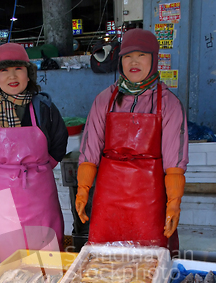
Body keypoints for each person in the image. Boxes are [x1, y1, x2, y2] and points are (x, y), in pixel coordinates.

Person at [75, 28, 188, 253]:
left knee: (148, 260)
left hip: (149, 197)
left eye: (142, 55)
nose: (133, 61)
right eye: (127, 56)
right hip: (109, 195)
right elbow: (90, 150)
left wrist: (174, 202)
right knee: (105, 257)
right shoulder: (104, 99)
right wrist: (82, 189)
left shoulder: (168, 103)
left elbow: (175, 161)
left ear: (154, 59)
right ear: (120, 60)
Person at [0, 43, 68, 262]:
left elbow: (59, 140)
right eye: (4, 70)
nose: (12, 76)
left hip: (39, 191)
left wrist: (41, 167)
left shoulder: (43, 107)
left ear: (29, 74)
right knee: (6, 251)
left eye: (18, 69)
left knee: (45, 249)